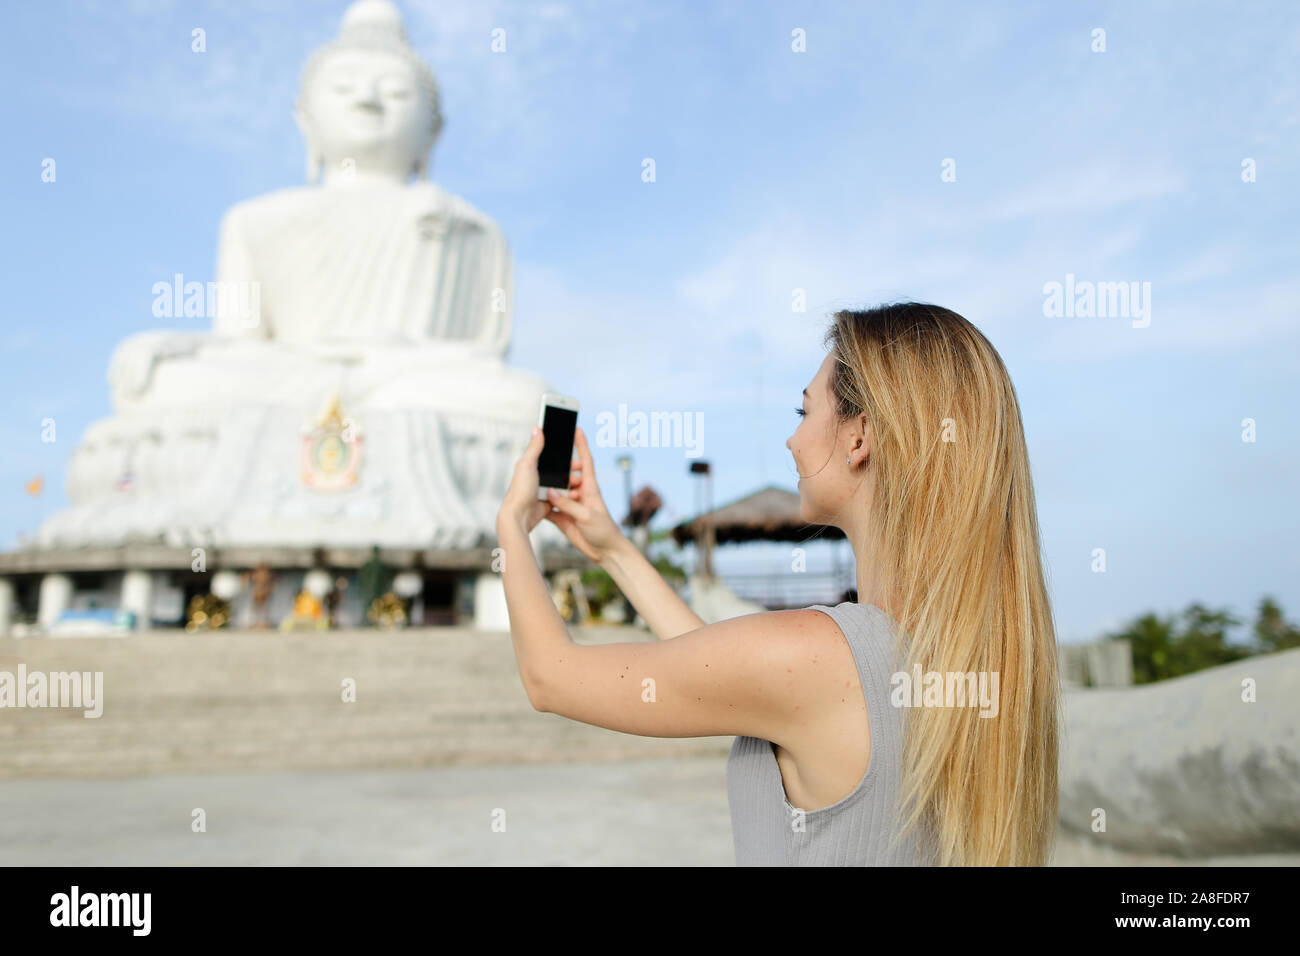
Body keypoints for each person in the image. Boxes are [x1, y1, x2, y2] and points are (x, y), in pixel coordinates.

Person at [496, 303, 1061, 866]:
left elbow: (550, 677)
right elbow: (733, 672)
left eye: (804, 410)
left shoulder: (819, 656)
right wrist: (612, 549)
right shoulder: (975, 659)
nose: (792, 440)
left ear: (858, 437)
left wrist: (513, 528)